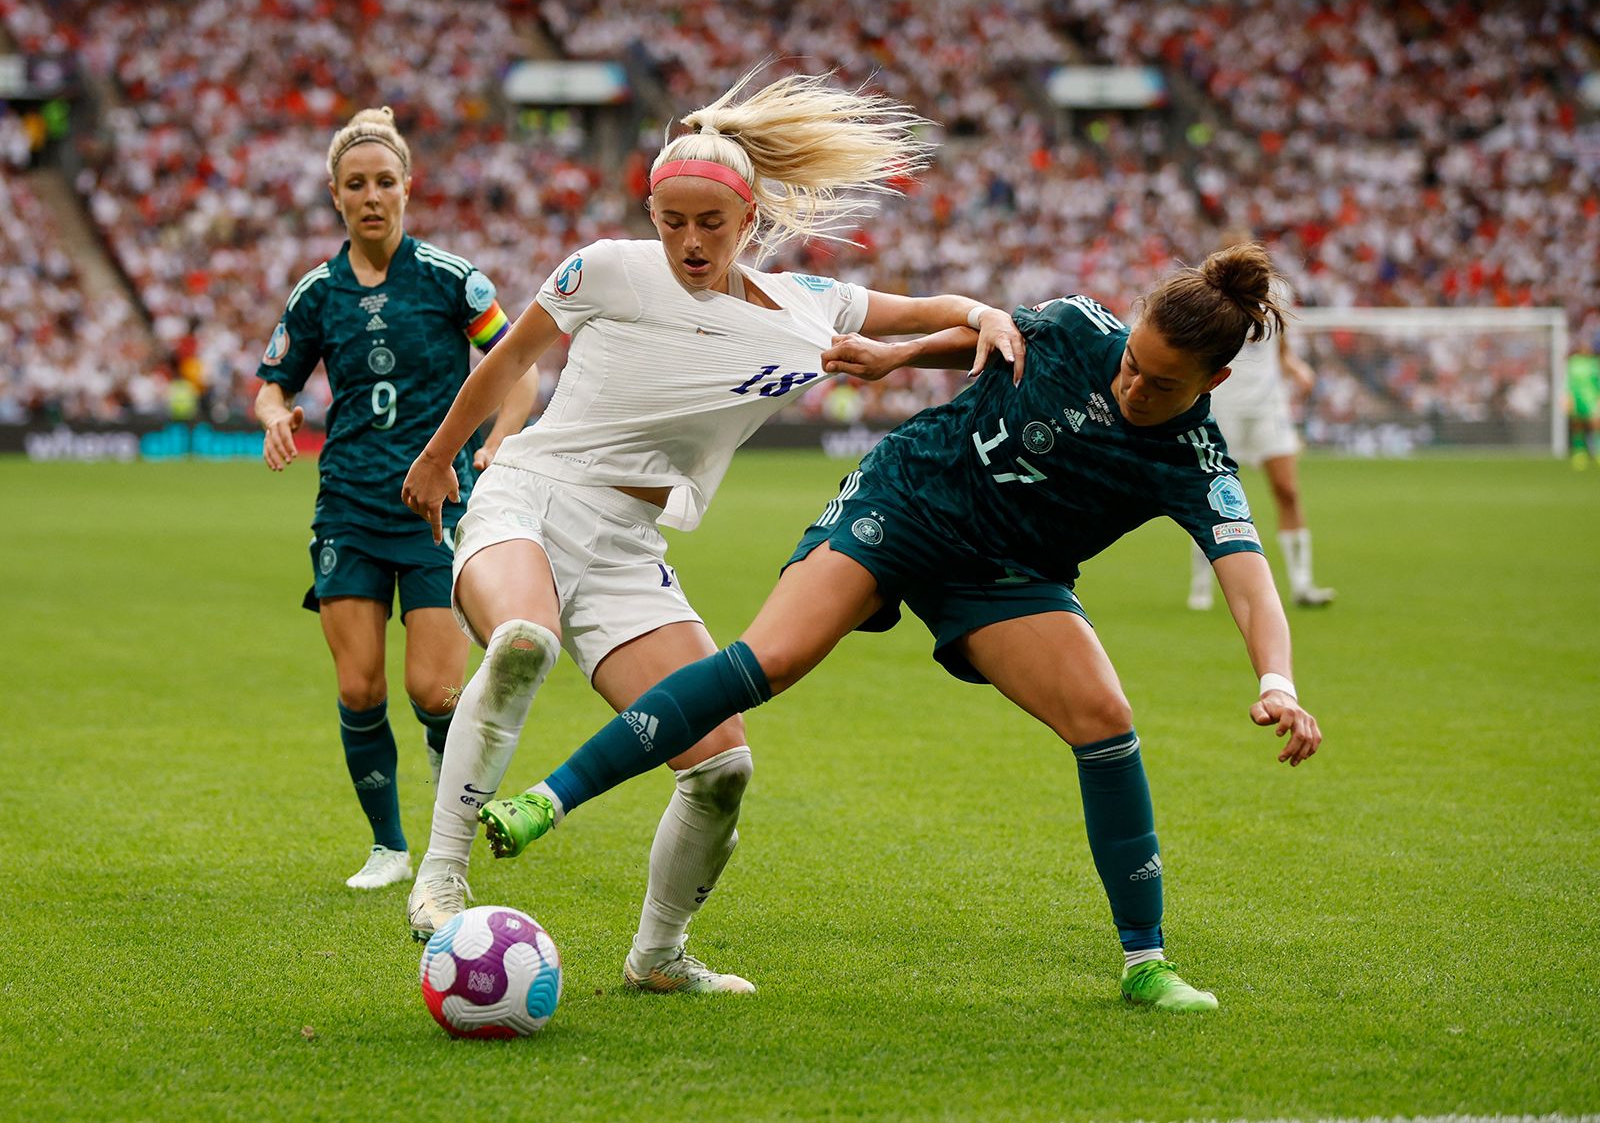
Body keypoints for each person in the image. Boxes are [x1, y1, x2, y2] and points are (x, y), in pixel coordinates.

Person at [477, 242, 1323, 1013]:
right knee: (772, 657)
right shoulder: (1075, 327)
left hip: (1004, 575)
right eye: (1134, 362)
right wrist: (898, 355)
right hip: (908, 497)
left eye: (1162, 384)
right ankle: (548, 800)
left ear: (1210, 385)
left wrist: (1275, 681)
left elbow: (1247, 579)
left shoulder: (1197, 459)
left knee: (1106, 719)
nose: (1132, 385)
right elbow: (987, 341)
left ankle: (1147, 961)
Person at [399, 70, 1025, 994]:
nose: (689, 241)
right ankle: (440, 876)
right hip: (528, 494)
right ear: (651, 213)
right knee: (524, 639)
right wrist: (439, 456)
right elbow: (514, 356)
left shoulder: (808, 305)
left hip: (625, 545)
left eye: (709, 223)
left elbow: (924, 314)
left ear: (750, 221)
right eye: (671, 220)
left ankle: (658, 957)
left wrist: (985, 314)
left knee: (722, 762)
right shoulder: (607, 266)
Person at [256, 107, 538, 891]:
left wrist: (500, 438)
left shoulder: (452, 278)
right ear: (335, 196)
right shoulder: (318, 293)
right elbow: (271, 385)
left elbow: (521, 369)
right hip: (347, 504)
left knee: (435, 691)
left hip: (437, 509)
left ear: (408, 188)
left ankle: (451, 816)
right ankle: (388, 846)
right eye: (356, 184)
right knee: (359, 687)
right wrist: (278, 415)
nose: (372, 195)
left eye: (385, 181)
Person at [1186, 233, 1334, 610]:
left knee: (1287, 490)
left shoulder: (1277, 294)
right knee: (1211, 497)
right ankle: (1202, 584)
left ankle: (1302, 583)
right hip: (1223, 407)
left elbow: (1279, 348)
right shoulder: (1211, 300)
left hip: (1269, 407)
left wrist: (1296, 368)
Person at [1566, 331, 1600, 471]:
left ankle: (1597, 451)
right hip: (1577, 399)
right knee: (1577, 425)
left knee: (1595, 424)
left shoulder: (1594, 363)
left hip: (1592, 398)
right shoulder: (1573, 362)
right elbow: (1568, 382)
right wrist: (1567, 396)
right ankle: (1579, 453)